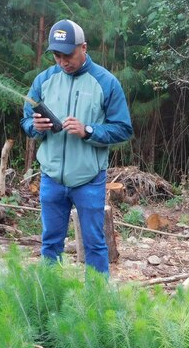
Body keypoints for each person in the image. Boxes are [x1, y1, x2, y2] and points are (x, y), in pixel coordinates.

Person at [21, 19, 133, 274]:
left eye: (68, 55)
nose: (62, 62)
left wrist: (88, 130)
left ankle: (96, 303)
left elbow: (123, 129)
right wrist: (34, 127)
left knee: (94, 244)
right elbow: (26, 119)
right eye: (57, 56)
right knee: (50, 243)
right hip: (51, 178)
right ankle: (51, 300)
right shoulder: (44, 80)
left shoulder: (106, 82)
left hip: (89, 180)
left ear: (84, 47)